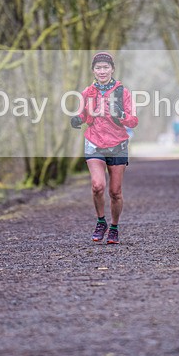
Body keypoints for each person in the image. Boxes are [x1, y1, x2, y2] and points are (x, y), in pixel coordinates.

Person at [70, 52, 138, 244]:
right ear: (93, 70)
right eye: (98, 67)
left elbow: (133, 121)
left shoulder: (123, 92)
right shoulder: (87, 92)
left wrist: (120, 117)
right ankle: (101, 221)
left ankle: (114, 227)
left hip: (118, 144)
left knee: (115, 192)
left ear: (112, 69)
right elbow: (83, 114)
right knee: (97, 186)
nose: (102, 71)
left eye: (105, 67)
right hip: (94, 142)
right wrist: (77, 119)